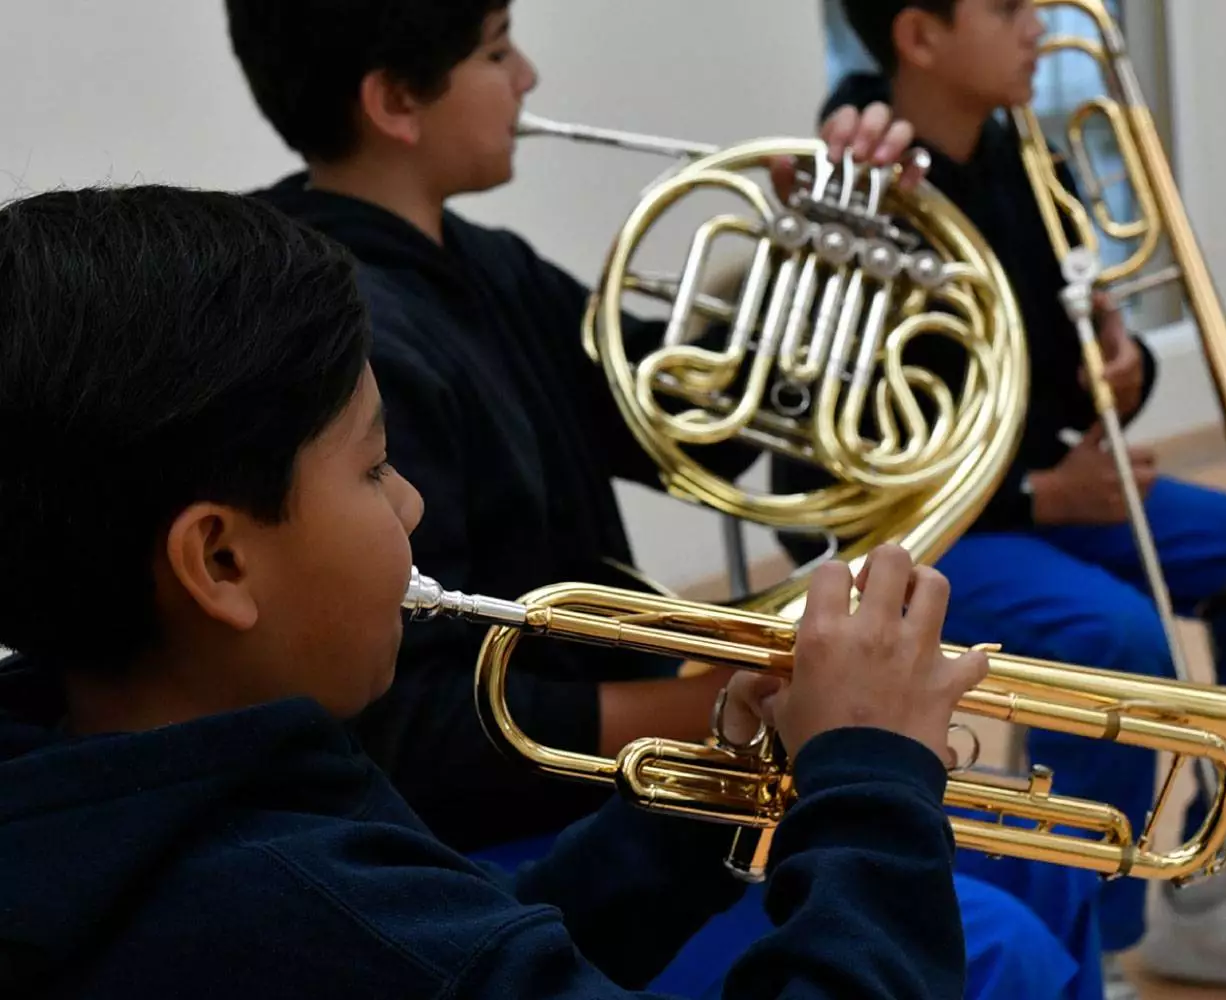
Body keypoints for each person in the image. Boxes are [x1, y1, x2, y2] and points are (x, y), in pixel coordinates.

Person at [222, 2, 1104, 998]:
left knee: (1040, 854)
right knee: (990, 936)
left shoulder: (483, 263)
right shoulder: (350, 337)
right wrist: (758, 703)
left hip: (634, 793)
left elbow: (701, 415)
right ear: (394, 102)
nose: (529, 80)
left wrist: (826, 253)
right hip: (526, 837)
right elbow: (429, 731)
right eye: (497, 50)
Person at [0, 183, 993, 999]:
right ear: (219, 562)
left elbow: (493, 946)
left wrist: (705, 797)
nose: (414, 502)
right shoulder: (303, 908)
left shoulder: (82, 773)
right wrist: (870, 783)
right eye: (375, 467)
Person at [773, 3, 1226, 1000]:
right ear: (918, 38)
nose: (1037, 23)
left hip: (1044, 496)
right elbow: (822, 445)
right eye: (1006, 8)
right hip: (908, 532)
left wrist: (1127, 362)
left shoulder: (1018, 150)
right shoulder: (853, 179)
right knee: (1113, 641)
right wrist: (1040, 494)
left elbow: (1070, 346)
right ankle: (1088, 949)